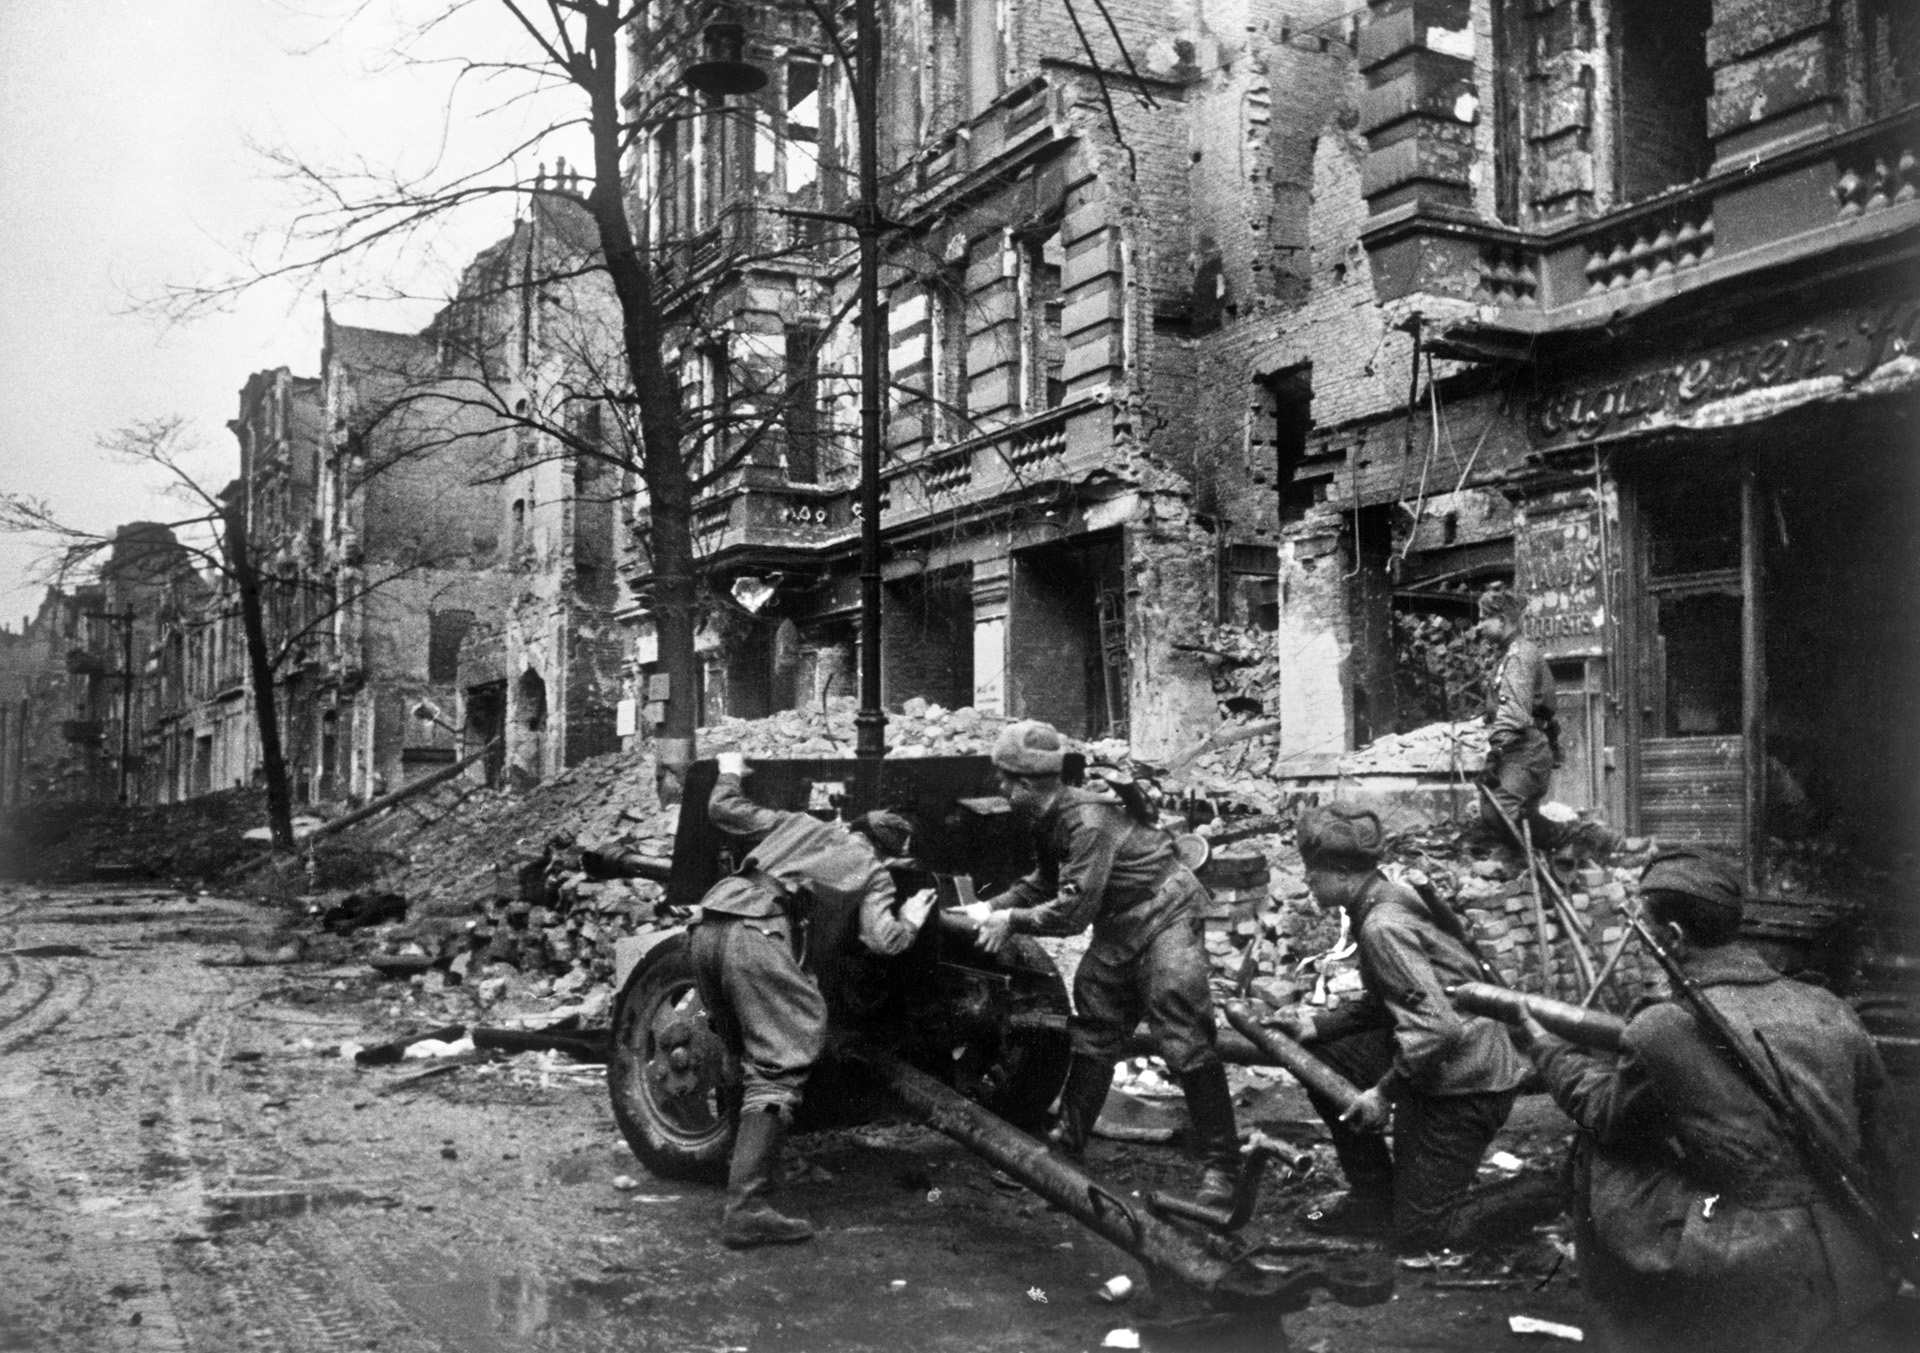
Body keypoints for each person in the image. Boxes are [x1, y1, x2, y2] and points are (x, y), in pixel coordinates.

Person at [1513, 847, 1898, 1353]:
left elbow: (1606, 1115)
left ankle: (1627, 1325)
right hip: (1853, 1245)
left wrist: (1546, 1048)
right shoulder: (1830, 1007)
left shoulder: (1663, 1026)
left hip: (1753, 1258)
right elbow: (1888, 1140)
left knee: (1599, 1144)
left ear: (1671, 937)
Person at [972, 720, 1242, 1208]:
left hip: (1166, 915)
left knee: (1181, 1030)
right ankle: (1067, 1151)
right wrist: (986, 910)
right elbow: (1045, 883)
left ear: (1027, 784)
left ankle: (1224, 1168)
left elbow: (1072, 913)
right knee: (1096, 1023)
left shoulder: (1087, 821)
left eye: (1005, 781)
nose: (1001, 790)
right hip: (1121, 924)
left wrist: (1011, 920)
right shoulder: (1053, 817)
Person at [1270, 801, 1541, 1251]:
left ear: (1339, 872)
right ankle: (1372, 1198)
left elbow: (1438, 1030)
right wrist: (1314, 1026)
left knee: (1421, 1232)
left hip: (1466, 1082)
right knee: (1324, 1057)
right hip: (1443, 1061)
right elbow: (1391, 1002)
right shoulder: (1379, 897)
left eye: (1312, 873)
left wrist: (1382, 1094)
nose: (1307, 882)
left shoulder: (1382, 925)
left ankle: (1552, 1187)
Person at [693, 751, 932, 1248]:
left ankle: (739, 1167)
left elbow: (723, 809)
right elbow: (881, 941)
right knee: (780, 1064)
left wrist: (731, 769)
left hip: (709, 925)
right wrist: (910, 916)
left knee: (740, 1053)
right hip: (758, 936)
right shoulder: (874, 871)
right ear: (891, 853)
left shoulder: (799, 823)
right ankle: (747, 1209)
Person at [1476, 586, 1559, 851]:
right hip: (1519, 746)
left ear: (1501, 620)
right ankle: (1537, 858)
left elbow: (1514, 710)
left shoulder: (1519, 654)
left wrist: (1495, 752)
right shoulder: (1508, 653)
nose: (1478, 626)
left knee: (1499, 812)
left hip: (1526, 749)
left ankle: (1570, 838)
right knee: (1491, 809)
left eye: (1482, 619)